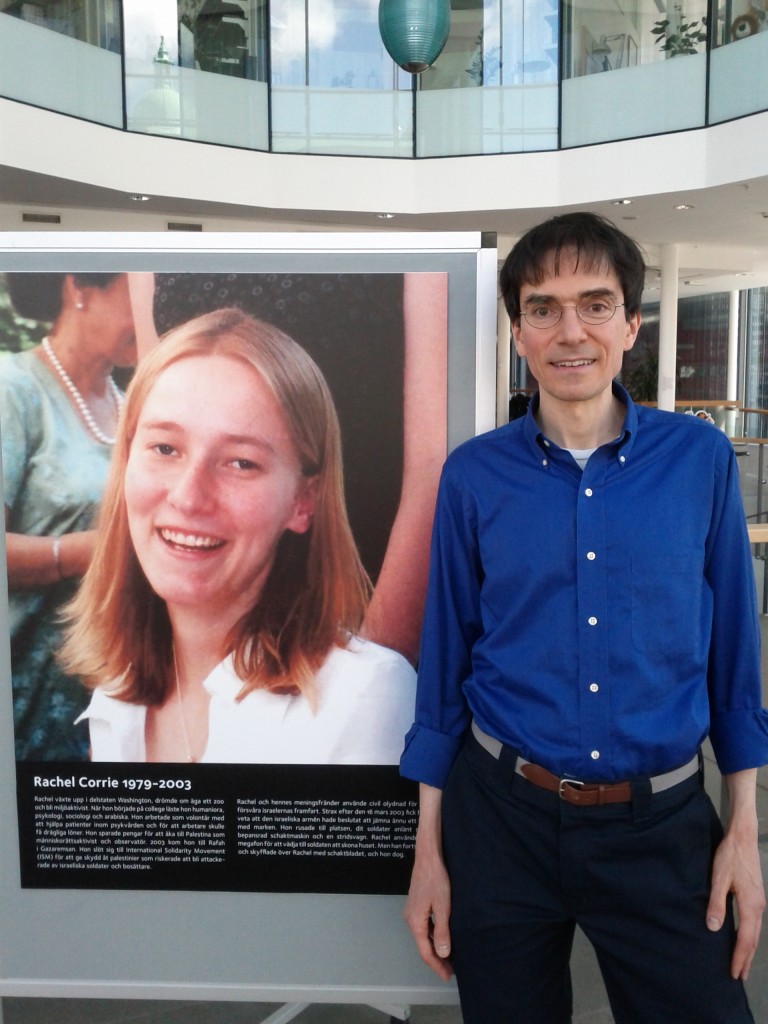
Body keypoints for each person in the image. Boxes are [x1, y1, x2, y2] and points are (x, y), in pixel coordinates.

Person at [400, 212, 768, 1023]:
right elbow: (444, 665)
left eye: (596, 305)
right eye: (544, 308)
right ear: (518, 330)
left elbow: (735, 662)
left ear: (631, 324)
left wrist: (743, 830)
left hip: (662, 829)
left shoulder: (698, 462)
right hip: (501, 823)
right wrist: (429, 852)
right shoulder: (474, 478)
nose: (571, 332)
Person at [61, 308, 416, 765]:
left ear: (303, 501)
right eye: (165, 448)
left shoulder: (365, 697)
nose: (189, 497)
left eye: (241, 462)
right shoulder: (115, 692)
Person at [1, 272, 137, 760]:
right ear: (78, 287)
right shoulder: (12, 390)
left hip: (111, 699)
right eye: (138, 290)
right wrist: (96, 549)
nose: (150, 309)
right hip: (26, 701)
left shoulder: (132, 408)